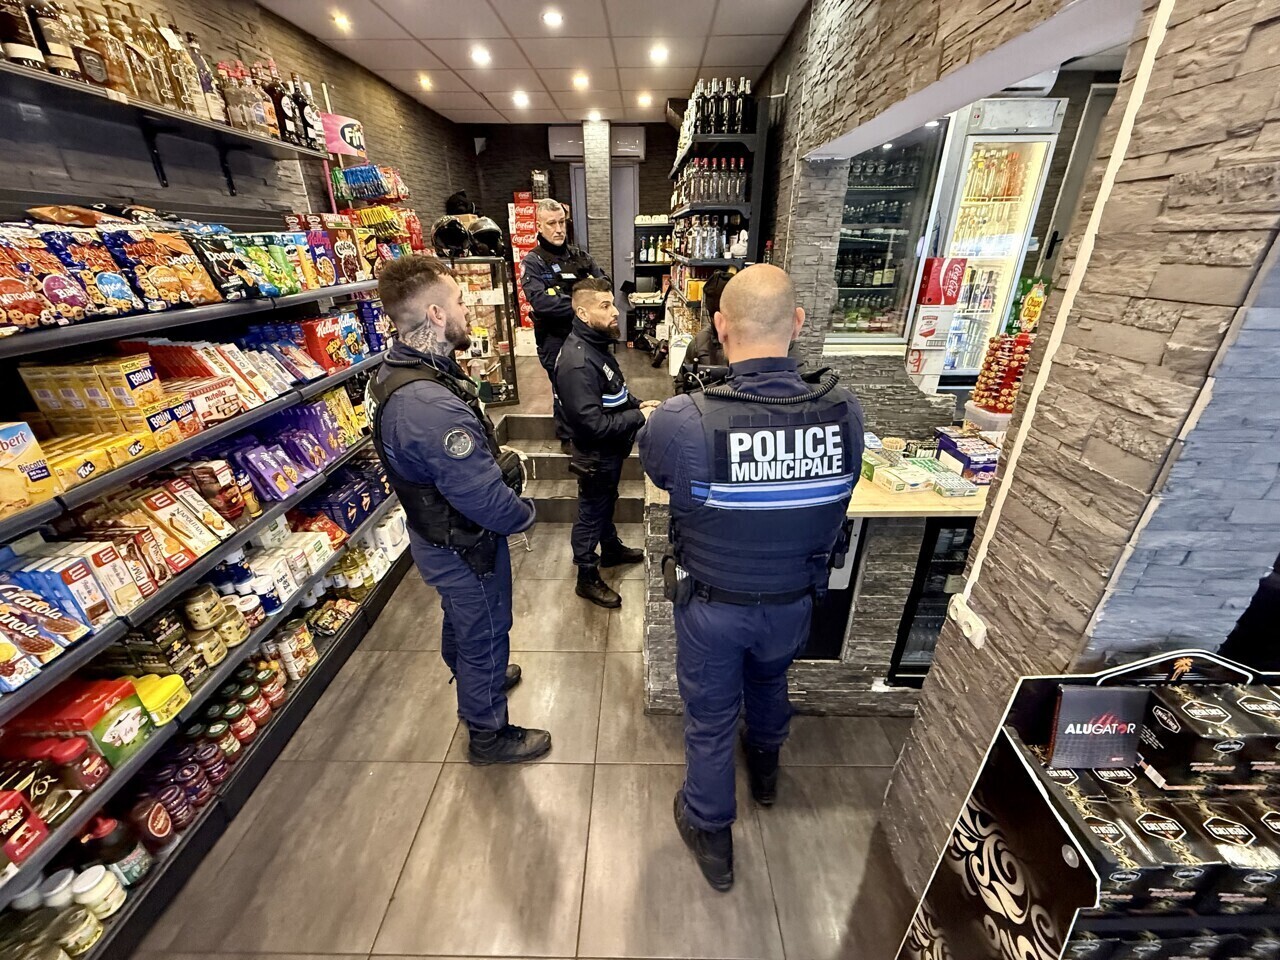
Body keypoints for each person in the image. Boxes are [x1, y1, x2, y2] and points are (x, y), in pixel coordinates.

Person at [638, 264, 866, 891]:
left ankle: (711, 832)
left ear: (719, 326)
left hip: (713, 605)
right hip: (795, 603)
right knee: (771, 679)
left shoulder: (683, 419)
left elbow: (661, 479)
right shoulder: (844, 409)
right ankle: (765, 769)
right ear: (797, 324)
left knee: (710, 717)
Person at [368, 255, 552, 765]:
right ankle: (488, 732)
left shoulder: (404, 370)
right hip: (464, 546)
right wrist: (525, 514)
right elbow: (484, 501)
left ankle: (476, 674)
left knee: (466, 623)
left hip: (438, 539)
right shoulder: (428, 406)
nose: (467, 307)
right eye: (458, 302)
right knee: (487, 630)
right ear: (434, 314)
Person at [555, 276, 649, 609]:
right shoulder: (578, 362)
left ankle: (610, 549)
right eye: (605, 306)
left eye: (613, 304)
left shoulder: (596, 348)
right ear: (582, 313)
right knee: (591, 512)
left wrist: (638, 404)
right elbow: (592, 424)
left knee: (607, 500)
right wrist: (639, 418)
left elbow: (615, 391)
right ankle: (586, 576)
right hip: (595, 454)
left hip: (610, 450)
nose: (615, 312)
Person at [520, 199, 606, 452]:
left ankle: (596, 430)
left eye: (561, 222)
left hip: (590, 338)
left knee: (594, 384)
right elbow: (542, 302)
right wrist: (584, 303)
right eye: (551, 224)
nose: (558, 229)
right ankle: (569, 438)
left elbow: (605, 287)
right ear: (539, 226)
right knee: (565, 388)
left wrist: (566, 299)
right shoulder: (533, 262)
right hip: (554, 338)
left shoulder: (581, 256)